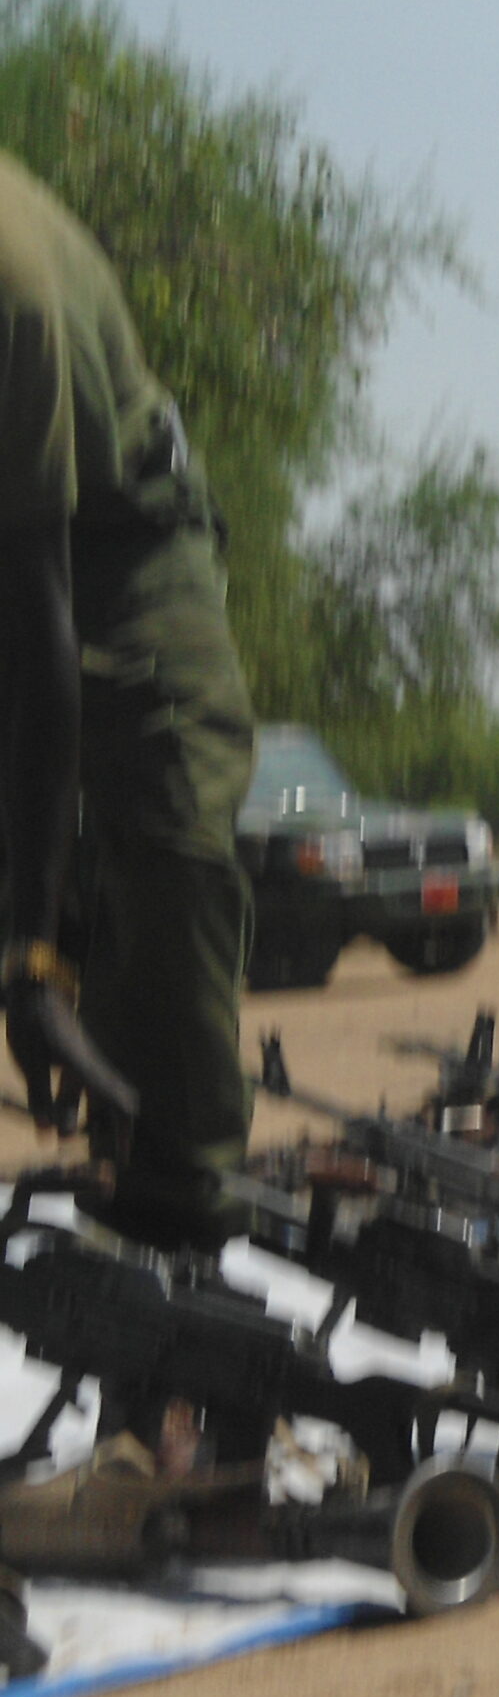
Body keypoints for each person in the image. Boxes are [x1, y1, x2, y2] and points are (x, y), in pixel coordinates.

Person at [2, 152, 256, 1250]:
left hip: (117, 549)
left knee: (166, 848)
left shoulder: (13, 291)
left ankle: (174, 1232)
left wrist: (29, 959)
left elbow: (39, 634)